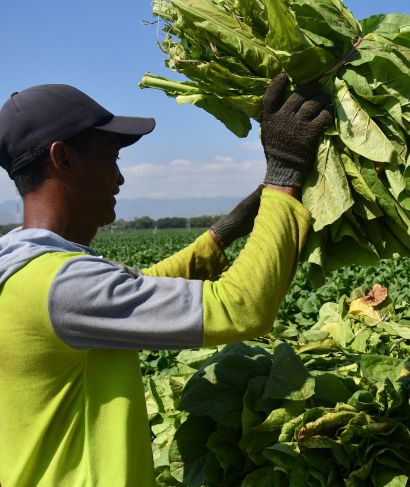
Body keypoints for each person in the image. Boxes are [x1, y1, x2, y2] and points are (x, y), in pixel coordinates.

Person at [0, 74, 333, 486]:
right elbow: (242, 308)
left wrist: (223, 234)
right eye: (111, 156)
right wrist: (284, 175)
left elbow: (140, 286)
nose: (119, 178)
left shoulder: (23, 274)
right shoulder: (63, 287)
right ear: (63, 158)